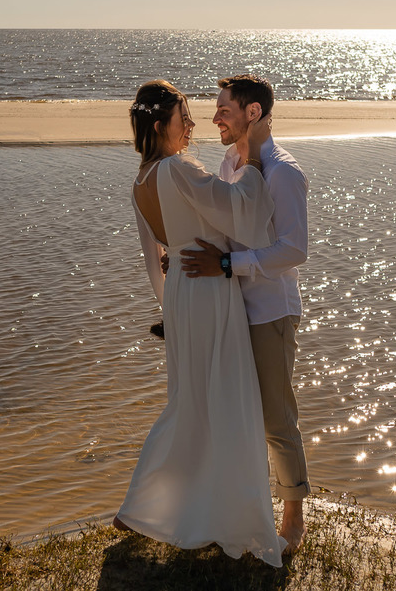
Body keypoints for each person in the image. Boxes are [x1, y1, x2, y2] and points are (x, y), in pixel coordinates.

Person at [114, 79, 285, 567]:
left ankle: (146, 505)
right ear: (160, 124)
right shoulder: (176, 168)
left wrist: (169, 305)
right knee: (226, 398)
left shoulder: (142, 180)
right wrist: (252, 161)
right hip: (209, 289)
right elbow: (236, 213)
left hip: (183, 296)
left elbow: (154, 259)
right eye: (182, 117)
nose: (190, 126)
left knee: (190, 400)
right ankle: (229, 516)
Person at [179, 74, 310, 552]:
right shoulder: (230, 161)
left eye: (224, 110)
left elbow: (294, 250)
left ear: (252, 113)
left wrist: (230, 265)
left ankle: (293, 514)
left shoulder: (283, 172)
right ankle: (235, 509)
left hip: (269, 312)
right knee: (232, 413)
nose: (215, 117)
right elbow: (223, 226)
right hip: (231, 307)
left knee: (275, 418)